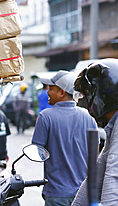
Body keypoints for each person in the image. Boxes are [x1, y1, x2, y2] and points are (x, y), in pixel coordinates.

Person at [32, 70, 98, 206]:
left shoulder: (45, 117)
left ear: (62, 92)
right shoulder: (88, 116)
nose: (47, 92)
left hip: (56, 194)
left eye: (51, 89)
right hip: (83, 194)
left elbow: (37, 151)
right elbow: (95, 154)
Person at [72, 59, 118, 206]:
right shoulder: (113, 127)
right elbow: (97, 175)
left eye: (87, 94)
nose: (83, 102)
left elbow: (113, 177)